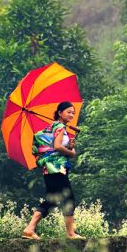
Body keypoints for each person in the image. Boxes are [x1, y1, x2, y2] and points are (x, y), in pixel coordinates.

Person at [22, 101, 84, 239]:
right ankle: (70, 233)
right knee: (68, 198)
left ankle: (29, 229)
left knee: (52, 200)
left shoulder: (54, 127)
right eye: (68, 112)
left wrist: (70, 145)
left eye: (73, 112)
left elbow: (57, 145)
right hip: (57, 168)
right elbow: (56, 146)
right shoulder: (60, 126)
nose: (71, 115)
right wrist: (71, 152)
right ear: (60, 113)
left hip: (48, 169)